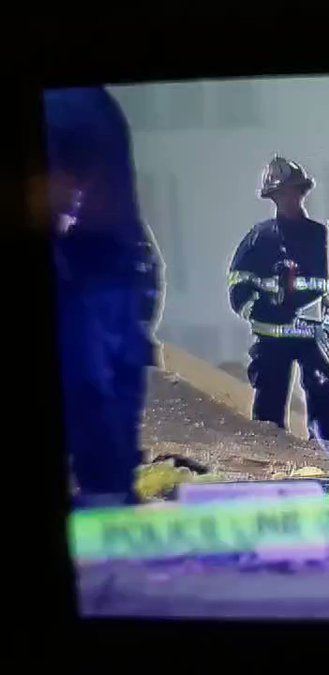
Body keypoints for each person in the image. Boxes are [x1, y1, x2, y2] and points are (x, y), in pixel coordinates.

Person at [44, 87, 163, 507]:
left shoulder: (70, 105)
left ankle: (105, 497)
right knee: (103, 385)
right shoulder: (91, 104)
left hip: (94, 272)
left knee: (94, 385)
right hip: (107, 269)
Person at [227, 156, 329, 446]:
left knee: (322, 392)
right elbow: (238, 285)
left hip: (314, 337)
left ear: (301, 193)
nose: (287, 199)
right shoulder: (260, 238)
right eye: (280, 194)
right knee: (269, 403)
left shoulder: (323, 238)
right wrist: (261, 309)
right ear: (273, 198)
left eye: (291, 192)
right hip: (272, 338)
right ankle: (270, 454)